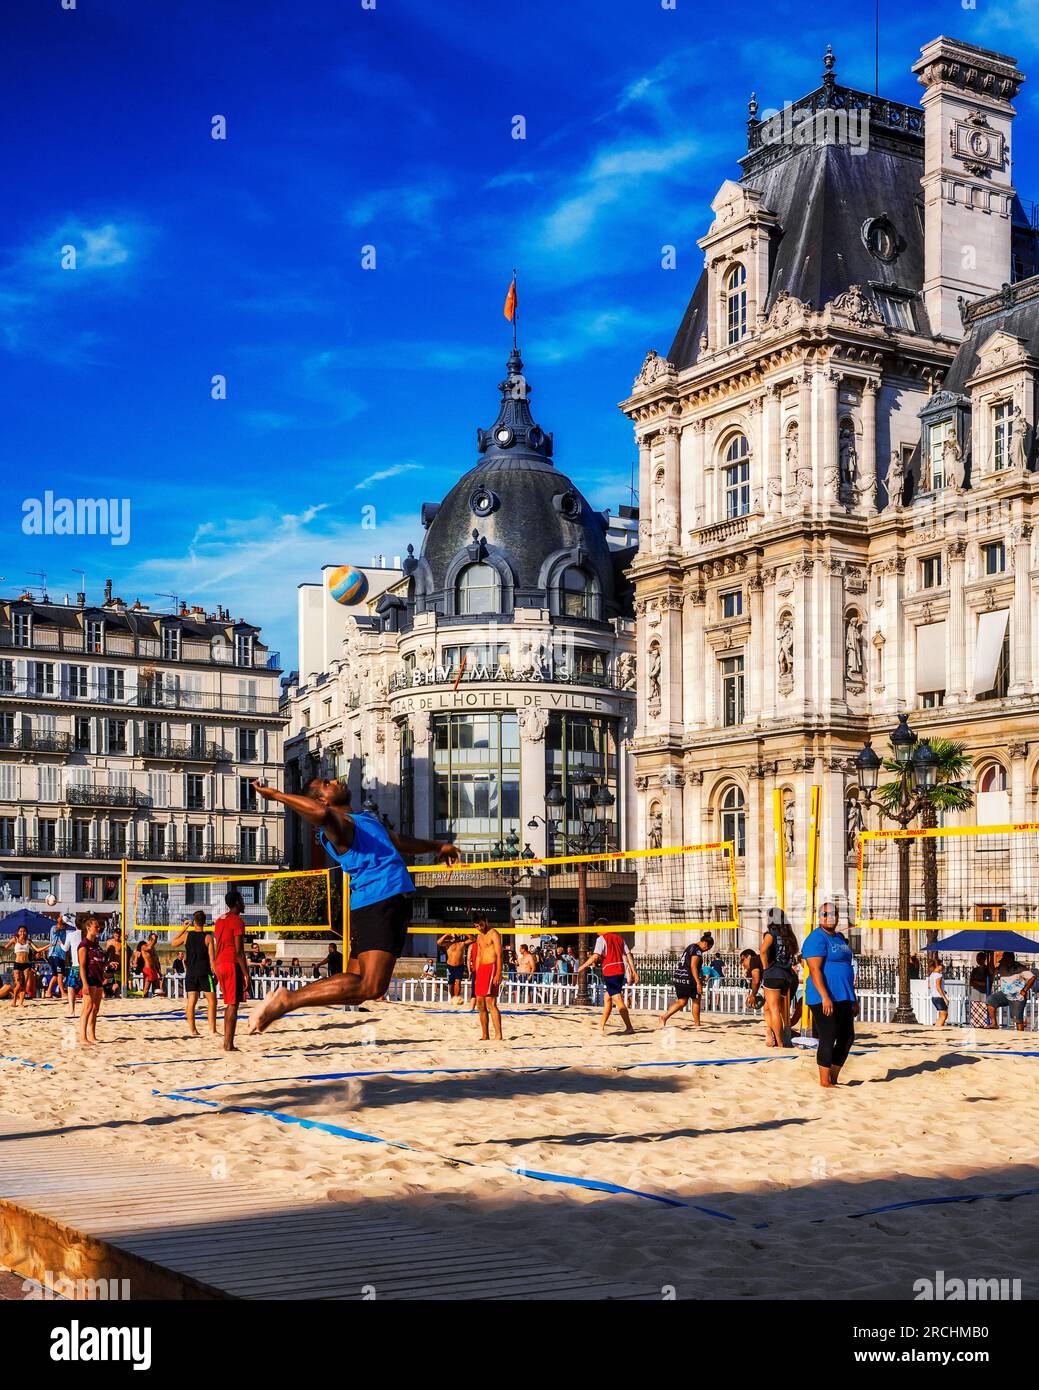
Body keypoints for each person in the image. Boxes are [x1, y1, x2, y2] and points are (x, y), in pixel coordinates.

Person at [245, 776, 459, 1032]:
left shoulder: (363, 820)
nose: (336, 779)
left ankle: (287, 998)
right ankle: (287, 1000)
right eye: (327, 783)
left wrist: (437, 846)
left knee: (358, 989)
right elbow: (322, 816)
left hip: (377, 903)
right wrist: (277, 795)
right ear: (323, 799)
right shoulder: (340, 826)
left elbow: (398, 842)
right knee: (371, 986)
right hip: (381, 899)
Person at [802, 900, 857, 1089]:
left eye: (833, 914)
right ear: (819, 917)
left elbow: (847, 967)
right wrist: (825, 996)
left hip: (844, 996)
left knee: (848, 1037)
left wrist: (853, 998)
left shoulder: (840, 938)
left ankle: (833, 1077)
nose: (829, 917)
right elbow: (815, 970)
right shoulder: (816, 938)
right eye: (825, 914)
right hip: (823, 997)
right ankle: (824, 1081)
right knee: (828, 1035)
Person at [578, 920, 638, 1034]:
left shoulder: (601, 939)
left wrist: (584, 966)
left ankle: (629, 1027)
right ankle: (601, 1025)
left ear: (601, 927)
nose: (596, 932)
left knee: (617, 999)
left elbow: (596, 956)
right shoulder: (620, 938)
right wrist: (634, 971)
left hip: (611, 971)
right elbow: (628, 954)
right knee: (607, 997)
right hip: (620, 970)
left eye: (596, 929)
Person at [213, 891, 251, 1050]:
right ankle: (228, 1044)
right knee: (232, 1004)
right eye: (242, 900)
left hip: (220, 962)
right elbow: (239, 951)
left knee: (230, 1003)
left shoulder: (219, 920)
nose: (244, 903)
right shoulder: (237, 921)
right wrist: (246, 974)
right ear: (236, 903)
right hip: (230, 963)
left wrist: (214, 965)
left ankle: (228, 1043)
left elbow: (218, 943)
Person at [171, 913, 217, 1038]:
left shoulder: (187, 935)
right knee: (212, 1001)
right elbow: (212, 959)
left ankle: (193, 1030)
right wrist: (216, 973)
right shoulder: (208, 937)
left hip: (190, 973)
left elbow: (173, 943)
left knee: (192, 1001)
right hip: (204, 972)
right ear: (204, 922)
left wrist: (184, 928)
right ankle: (212, 1030)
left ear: (194, 922)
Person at [760, 909, 800, 1047]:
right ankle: (771, 1033)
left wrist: (765, 967)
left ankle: (780, 1042)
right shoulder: (790, 936)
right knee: (768, 1009)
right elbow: (795, 951)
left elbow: (763, 951)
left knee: (774, 1009)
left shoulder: (771, 934)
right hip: (787, 976)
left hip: (773, 974)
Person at [660, 932, 713, 1027]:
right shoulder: (697, 951)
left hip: (678, 976)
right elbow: (693, 966)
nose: (707, 950)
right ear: (705, 943)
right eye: (708, 948)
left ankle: (664, 1017)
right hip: (689, 978)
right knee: (696, 1000)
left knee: (682, 1001)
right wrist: (698, 982)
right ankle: (697, 1024)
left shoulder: (691, 946)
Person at [470, 916, 503, 1041]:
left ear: (486, 921)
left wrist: (498, 973)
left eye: (480, 925)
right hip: (481, 970)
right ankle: (485, 1035)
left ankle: (498, 1035)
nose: (479, 928)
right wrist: (476, 973)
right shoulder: (479, 936)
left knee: (490, 1002)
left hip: (492, 967)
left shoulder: (494, 933)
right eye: (476, 926)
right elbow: (478, 956)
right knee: (480, 1003)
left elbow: (499, 954)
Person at [986, 953, 1037, 1032]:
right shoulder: (1002, 966)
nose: (1004, 962)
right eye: (1004, 960)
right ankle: (994, 1024)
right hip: (1005, 993)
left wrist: (1024, 990)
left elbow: (1032, 977)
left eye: (1006, 960)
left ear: (1011, 959)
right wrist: (991, 956)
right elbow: (992, 972)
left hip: (1017, 996)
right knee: (990, 1000)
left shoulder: (1020, 967)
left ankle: (1021, 1036)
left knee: (1017, 1019)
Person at [77, 917, 106, 1046]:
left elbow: (99, 962)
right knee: (87, 1008)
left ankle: (92, 1036)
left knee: (95, 1009)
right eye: (96, 926)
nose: (98, 928)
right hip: (89, 978)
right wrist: (84, 984)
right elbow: (82, 966)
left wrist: (109, 965)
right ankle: (83, 1037)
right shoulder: (84, 945)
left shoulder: (96, 945)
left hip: (98, 977)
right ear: (88, 928)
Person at [3, 926, 46, 1007]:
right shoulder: (14, 940)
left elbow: (37, 949)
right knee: (18, 984)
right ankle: (14, 1000)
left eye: (24, 931)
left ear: (26, 932)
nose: (22, 933)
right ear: (18, 932)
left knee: (24, 985)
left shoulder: (28, 941)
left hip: (26, 965)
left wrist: (49, 945)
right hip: (17, 964)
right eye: (20, 931)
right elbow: (5, 947)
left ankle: (21, 1003)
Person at [438, 932, 469, 1004]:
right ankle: (452, 997)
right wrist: (447, 935)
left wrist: (465, 932)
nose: (455, 936)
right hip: (450, 966)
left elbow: (473, 939)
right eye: (454, 935)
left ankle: (457, 997)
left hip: (459, 966)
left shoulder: (461, 943)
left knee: (458, 982)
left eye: (456, 935)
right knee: (451, 984)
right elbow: (438, 942)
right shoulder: (448, 943)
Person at [968, 951, 994, 1028]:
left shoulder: (987, 969)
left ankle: (985, 1024)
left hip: (984, 993)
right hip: (976, 992)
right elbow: (971, 982)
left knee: (984, 1008)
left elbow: (988, 982)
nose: (978, 960)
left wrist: (978, 983)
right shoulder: (975, 970)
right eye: (977, 958)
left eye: (980, 958)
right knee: (975, 1008)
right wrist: (980, 983)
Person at [927, 958, 949, 1027]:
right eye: (941, 965)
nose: (942, 967)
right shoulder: (939, 975)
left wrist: (941, 989)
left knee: (942, 1014)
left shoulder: (932, 975)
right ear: (938, 966)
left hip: (934, 997)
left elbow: (929, 986)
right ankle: (937, 1029)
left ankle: (938, 1028)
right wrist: (944, 998)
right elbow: (938, 987)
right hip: (939, 997)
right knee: (943, 1015)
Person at [141, 934, 162, 999]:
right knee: (146, 988)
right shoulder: (144, 946)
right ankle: (144, 1000)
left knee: (157, 989)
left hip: (154, 970)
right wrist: (153, 941)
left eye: (156, 940)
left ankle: (157, 1002)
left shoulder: (154, 949)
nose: (155, 941)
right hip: (147, 969)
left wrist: (158, 971)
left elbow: (156, 960)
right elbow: (148, 948)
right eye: (154, 940)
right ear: (150, 939)